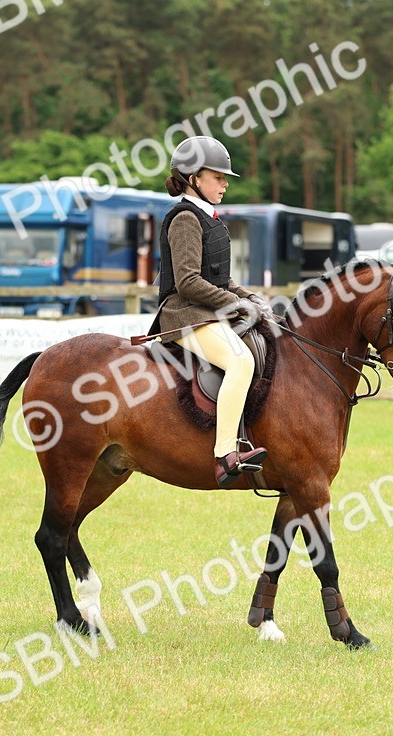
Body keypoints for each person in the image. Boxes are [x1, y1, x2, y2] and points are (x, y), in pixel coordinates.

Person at [150, 136, 271, 487]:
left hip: (206, 311)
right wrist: (236, 305)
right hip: (185, 314)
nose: (225, 183)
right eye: (217, 176)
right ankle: (225, 455)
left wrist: (250, 297)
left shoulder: (209, 217)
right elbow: (188, 281)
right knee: (241, 361)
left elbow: (220, 278)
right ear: (194, 179)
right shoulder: (186, 219)